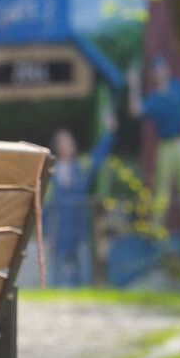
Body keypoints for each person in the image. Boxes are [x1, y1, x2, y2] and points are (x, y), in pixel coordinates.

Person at [128, 55, 180, 235]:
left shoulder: (178, 87)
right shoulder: (153, 98)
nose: (160, 72)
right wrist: (134, 84)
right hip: (165, 146)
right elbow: (136, 110)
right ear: (153, 74)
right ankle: (156, 235)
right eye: (156, 70)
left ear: (167, 70)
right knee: (162, 192)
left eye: (162, 68)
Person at [45, 114, 116, 287]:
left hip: (79, 232)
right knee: (57, 280)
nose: (69, 144)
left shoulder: (81, 166)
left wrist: (110, 132)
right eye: (64, 141)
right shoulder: (50, 174)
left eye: (69, 140)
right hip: (59, 234)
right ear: (58, 147)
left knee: (82, 278)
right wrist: (45, 235)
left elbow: (98, 156)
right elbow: (46, 208)